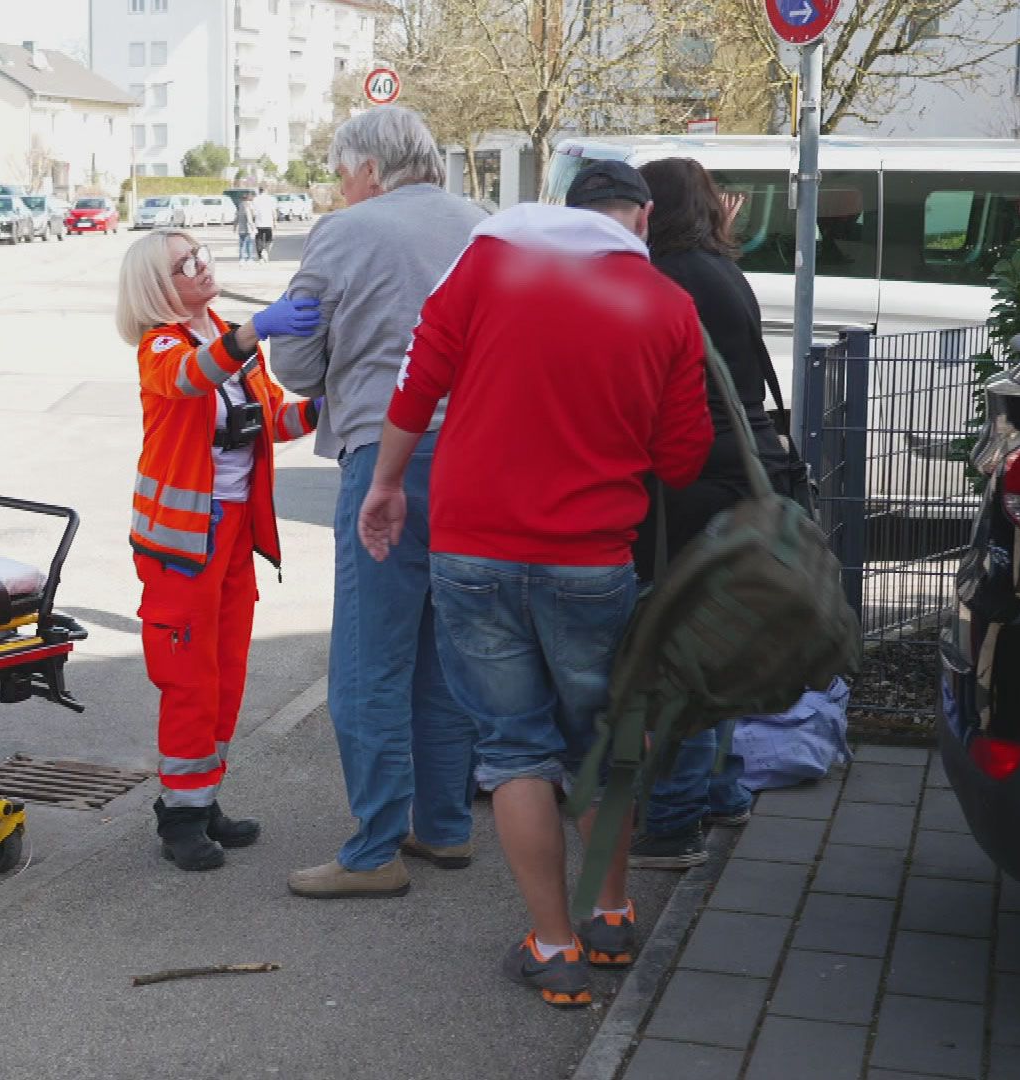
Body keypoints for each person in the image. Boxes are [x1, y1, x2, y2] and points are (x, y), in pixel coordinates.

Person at [358, 160, 713, 1007]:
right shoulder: (666, 304)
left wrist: (384, 486)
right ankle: (614, 915)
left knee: (514, 748)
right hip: (591, 562)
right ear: (644, 218)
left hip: (474, 552)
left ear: (562, 210)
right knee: (601, 741)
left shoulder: (489, 263)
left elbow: (417, 380)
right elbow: (684, 459)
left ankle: (553, 949)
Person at [269, 105, 486, 900]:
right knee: (444, 649)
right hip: (478, 461)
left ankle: (373, 849)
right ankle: (446, 825)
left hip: (386, 457)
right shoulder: (483, 225)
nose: (339, 186)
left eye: (339, 173)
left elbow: (294, 362)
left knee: (369, 659)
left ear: (366, 170)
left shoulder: (344, 231)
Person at [116, 228, 322, 871]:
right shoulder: (163, 347)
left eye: (201, 255)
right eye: (186, 263)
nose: (202, 266)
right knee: (189, 681)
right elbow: (187, 379)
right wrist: (254, 331)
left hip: (231, 534)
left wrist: (324, 402)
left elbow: (271, 420)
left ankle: (201, 800)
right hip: (183, 545)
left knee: (228, 672)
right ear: (158, 286)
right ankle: (179, 816)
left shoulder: (229, 337)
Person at [625, 157, 808, 868]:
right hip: (745, 471)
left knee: (674, 654)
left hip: (689, 482)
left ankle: (671, 821)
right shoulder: (722, 272)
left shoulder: (663, 278)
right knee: (711, 642)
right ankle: (724, 793)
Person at [249, 187, 277, 262]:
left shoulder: (255, 199)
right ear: (266, 191)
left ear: (259, 191)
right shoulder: (271, 199)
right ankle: (266, 251)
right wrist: (275, 222)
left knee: (258, 240)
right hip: (268, 223)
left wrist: (252, 221)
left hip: (258, 223)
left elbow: (252, 212)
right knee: (270, 240)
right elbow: (273, 211)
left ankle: (260, 257)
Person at [235, 194, 256, 264]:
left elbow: (236, 218)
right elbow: (249, 219)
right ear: (247, 199)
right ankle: (250, 258)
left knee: (241, 244)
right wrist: (253, 228)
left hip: (241, 229)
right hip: (247, 229)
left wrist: (234, 227)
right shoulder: (247, 207)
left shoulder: (240, 207)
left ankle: (241, 258)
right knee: (249, 244)